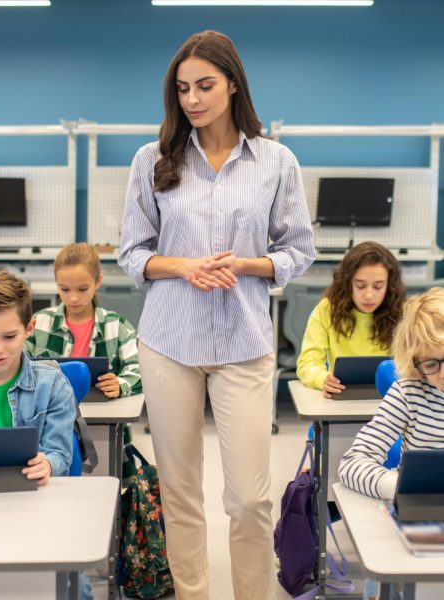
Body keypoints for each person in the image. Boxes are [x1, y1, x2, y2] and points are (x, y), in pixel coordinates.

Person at [118, 30, 315, 600]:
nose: (193, 99)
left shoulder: (276, 160)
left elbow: (297, 249)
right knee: (180, 494)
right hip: (168, 342)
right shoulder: (152, 159)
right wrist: (182, 267)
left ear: (233, 84)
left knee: (249, 498)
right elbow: (133, 253)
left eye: (205, 85)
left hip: (244, 341)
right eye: (182, 89)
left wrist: (249, 264)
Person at [0, 271, 94, 599]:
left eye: (9, 337)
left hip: (33, 505)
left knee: (75, 587)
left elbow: (60, 454)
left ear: (29, 328)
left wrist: (47, 464)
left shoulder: (52, 385)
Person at [339, 286, 444, 600]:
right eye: (432, 364)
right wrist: (393, 484)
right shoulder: (408, 393)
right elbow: (352, 463)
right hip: (424, 518)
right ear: (415, 361)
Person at [24, 242, 141, 399]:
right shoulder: (39, 323)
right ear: (56, 284)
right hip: (49, 415)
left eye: (82, 289)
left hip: (106, 418)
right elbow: (16, 362)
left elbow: (140, 369)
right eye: (64, 289)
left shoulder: (118, 326)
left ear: (98, 281)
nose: (73, 298)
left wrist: (120, 384)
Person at [297, 241, 406, 398]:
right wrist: (322, 379)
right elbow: (307, 363)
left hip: (391, 400)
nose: (369, 295)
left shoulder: (402, 313)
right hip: (341, 395)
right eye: (360, 286)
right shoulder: (327, 309)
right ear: (347, 283)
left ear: (389, 285)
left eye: (378, 286)